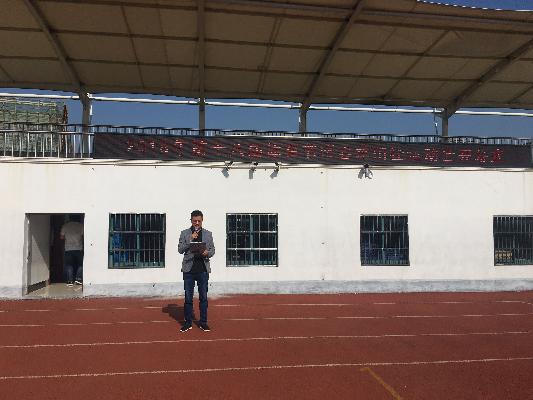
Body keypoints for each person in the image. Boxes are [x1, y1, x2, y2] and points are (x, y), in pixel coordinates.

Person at [178, 210, 215, 332]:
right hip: (188, 270)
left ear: (202, 220)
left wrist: (207, 253)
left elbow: (212, 250)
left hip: (203, 270)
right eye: (195, 221)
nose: (197, 223)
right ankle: (188, 322)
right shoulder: (184, 233)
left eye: (199, 221)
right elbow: (180, 249)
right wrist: (190, 239)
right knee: (188, 298)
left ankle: (203, 322)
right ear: (191, 221)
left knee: (203, 297)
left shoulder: (208, 234)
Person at [60, 214, 84, 286]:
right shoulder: (81, 226)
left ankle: (70, 281)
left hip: (68, 249)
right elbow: (83, 236)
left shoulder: (65, 226)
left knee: (69, 265)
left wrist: (67, 238)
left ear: (70, 218)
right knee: (80, 264)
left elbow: (61, 237)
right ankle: (78, 279)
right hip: (78, 248)